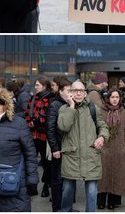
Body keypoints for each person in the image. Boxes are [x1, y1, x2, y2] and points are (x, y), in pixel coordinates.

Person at [58, 80, 109, 212]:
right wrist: (71, 107)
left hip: (90, 155)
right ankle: (66, 211)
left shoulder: (93, 108)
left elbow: (103, 126)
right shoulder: (64, 109)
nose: (79, 93)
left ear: (85, 93)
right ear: (70, 93)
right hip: (71, 156)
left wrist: (102, 137)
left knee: (92, 192)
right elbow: (64, 127)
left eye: (81, 90)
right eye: (75, 90)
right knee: (67, 191)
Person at [97, 87, 125, 209]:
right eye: (112, 97)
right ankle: (101, 201)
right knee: (102, 175)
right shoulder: (101, 111)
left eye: (117, 97)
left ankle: (113, 201)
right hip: (103, 149)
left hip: (119, 150)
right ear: (108, 98)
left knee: (117, 176)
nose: (115, 99)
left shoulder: (124, 112)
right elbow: (96, 128)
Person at [24, 76, 53, 197]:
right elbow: (27, 113)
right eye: (35, 85)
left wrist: (35, 122)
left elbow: (47, 117)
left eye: (37, 85)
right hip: (33, 135)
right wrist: (30, 122)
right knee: (31, 160)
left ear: (44, 86)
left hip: (44, 135)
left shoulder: (50, 99)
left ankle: (46, 185)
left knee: (46, 163)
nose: (35, 87)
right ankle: (32, 186)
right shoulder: (33, 98)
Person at [47, 76, 72, 212]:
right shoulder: (54, 105)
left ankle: (67, 207)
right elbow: (50, 129)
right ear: (61, 91)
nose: (71, 93)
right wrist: (55, 148)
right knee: (57, 180)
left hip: (69, 147)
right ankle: (57, 208)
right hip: (59, 148)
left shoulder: (70, 103)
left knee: (68, 179)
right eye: (69, 90)